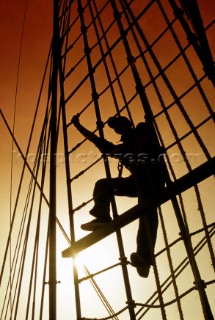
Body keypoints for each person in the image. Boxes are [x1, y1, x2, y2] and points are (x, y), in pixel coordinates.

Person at [72, 115, 165, 277]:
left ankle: (144, 258)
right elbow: (99, 142)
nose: (118, 130)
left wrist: (145, 128)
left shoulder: (142, 130)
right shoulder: (122, 149)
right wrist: (79, 127)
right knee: (103, 185)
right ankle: (102, 217)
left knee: (148, 212)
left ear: (128, 123)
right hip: (136, 182)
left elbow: (149, 133)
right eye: (115, 128)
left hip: (153, 178)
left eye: (119, 125)